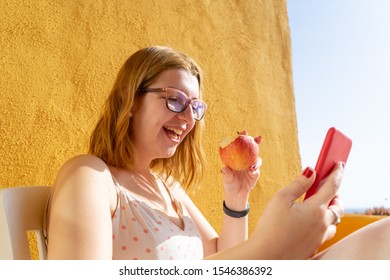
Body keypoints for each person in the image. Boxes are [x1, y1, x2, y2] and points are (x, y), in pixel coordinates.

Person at [45, 45, 390, 260]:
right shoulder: (90, 177)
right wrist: (271, 250)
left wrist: (237, 198)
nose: (186, 118)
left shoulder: (169, 188)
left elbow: (224, 258)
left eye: (194, 107)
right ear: (131, 101)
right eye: (174, 99)